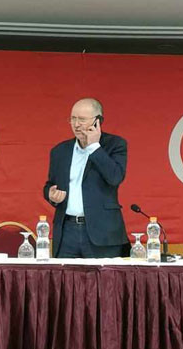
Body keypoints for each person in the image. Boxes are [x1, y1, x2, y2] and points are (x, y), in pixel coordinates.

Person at [43, 97, 129, 258]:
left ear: (98, 121)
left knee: (104, 275)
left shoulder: (115, 145)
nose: (76, 124)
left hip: (102, 232)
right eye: (73, 119)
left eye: (82, 119)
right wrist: (51, 195)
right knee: (65, 275)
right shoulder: (60, 151)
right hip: (67, 231)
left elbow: (115, 177)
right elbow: (50, 184)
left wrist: (94, 146)